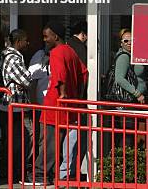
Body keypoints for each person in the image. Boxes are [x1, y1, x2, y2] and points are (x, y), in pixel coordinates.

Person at [31, 22, 88, 185]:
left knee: (48, 143)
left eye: (46, 36)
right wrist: (76, 95)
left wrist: (63, 93)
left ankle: (41, 174)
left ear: (55, 36)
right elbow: (84, 73)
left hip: (54, 105)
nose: (44, 40)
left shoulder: (56, 53)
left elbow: (60, 75)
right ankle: (49, 174)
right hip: (67, 107)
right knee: (57, 142)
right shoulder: (70, 50)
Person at [0, 29, 33, 184]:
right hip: (15, 105)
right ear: (18, 41)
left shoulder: (9, 56)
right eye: (26, 40)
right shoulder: (13, 58)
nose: (28, 43)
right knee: (22, 139)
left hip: (15, 105)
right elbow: (26, 79)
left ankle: (15, 171)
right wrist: (27, 77)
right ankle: (18, 172)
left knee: (15, 140)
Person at [60, 21, 89, 181]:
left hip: (66, 99)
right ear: (83, 34)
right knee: (75, 136)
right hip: (77, 100)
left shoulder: (66, 46)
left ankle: (66, 171)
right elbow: (84, 75)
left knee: (68, 135)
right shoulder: (80, 48)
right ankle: (68, 172)